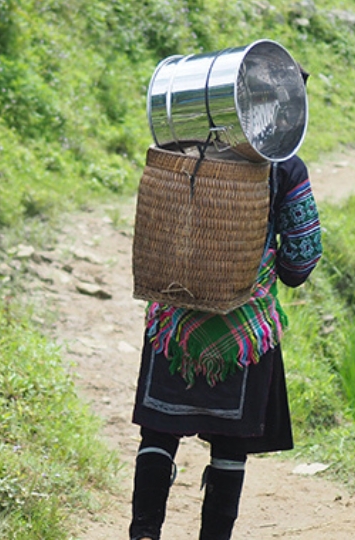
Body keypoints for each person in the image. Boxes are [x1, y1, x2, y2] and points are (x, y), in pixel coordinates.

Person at [129, 152, 323, 540]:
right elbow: (302, 257)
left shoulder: (178, 146)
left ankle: (144, 533)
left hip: (174, 322)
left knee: (158, 434)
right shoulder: (282, 165)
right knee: (230, 446)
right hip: (243, 329)